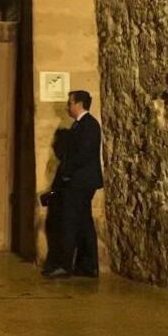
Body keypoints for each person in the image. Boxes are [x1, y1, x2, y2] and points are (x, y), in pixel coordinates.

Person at [43, 90, 103, 279]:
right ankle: (87, 265)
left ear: (78, 104)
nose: (67, 107)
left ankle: (65, 265)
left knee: (69, 222)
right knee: (83, 223)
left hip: (80, 182)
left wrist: (67, 174)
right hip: (79, 181)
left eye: (70, 103)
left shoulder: (89, 126)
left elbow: (81, 155)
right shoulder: (80, 125)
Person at [40, 128, 69, 275]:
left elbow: (62, 188)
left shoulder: (67, 164)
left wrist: (52, 195)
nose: (53, 146)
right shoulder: (63, 163)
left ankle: (58, 264)